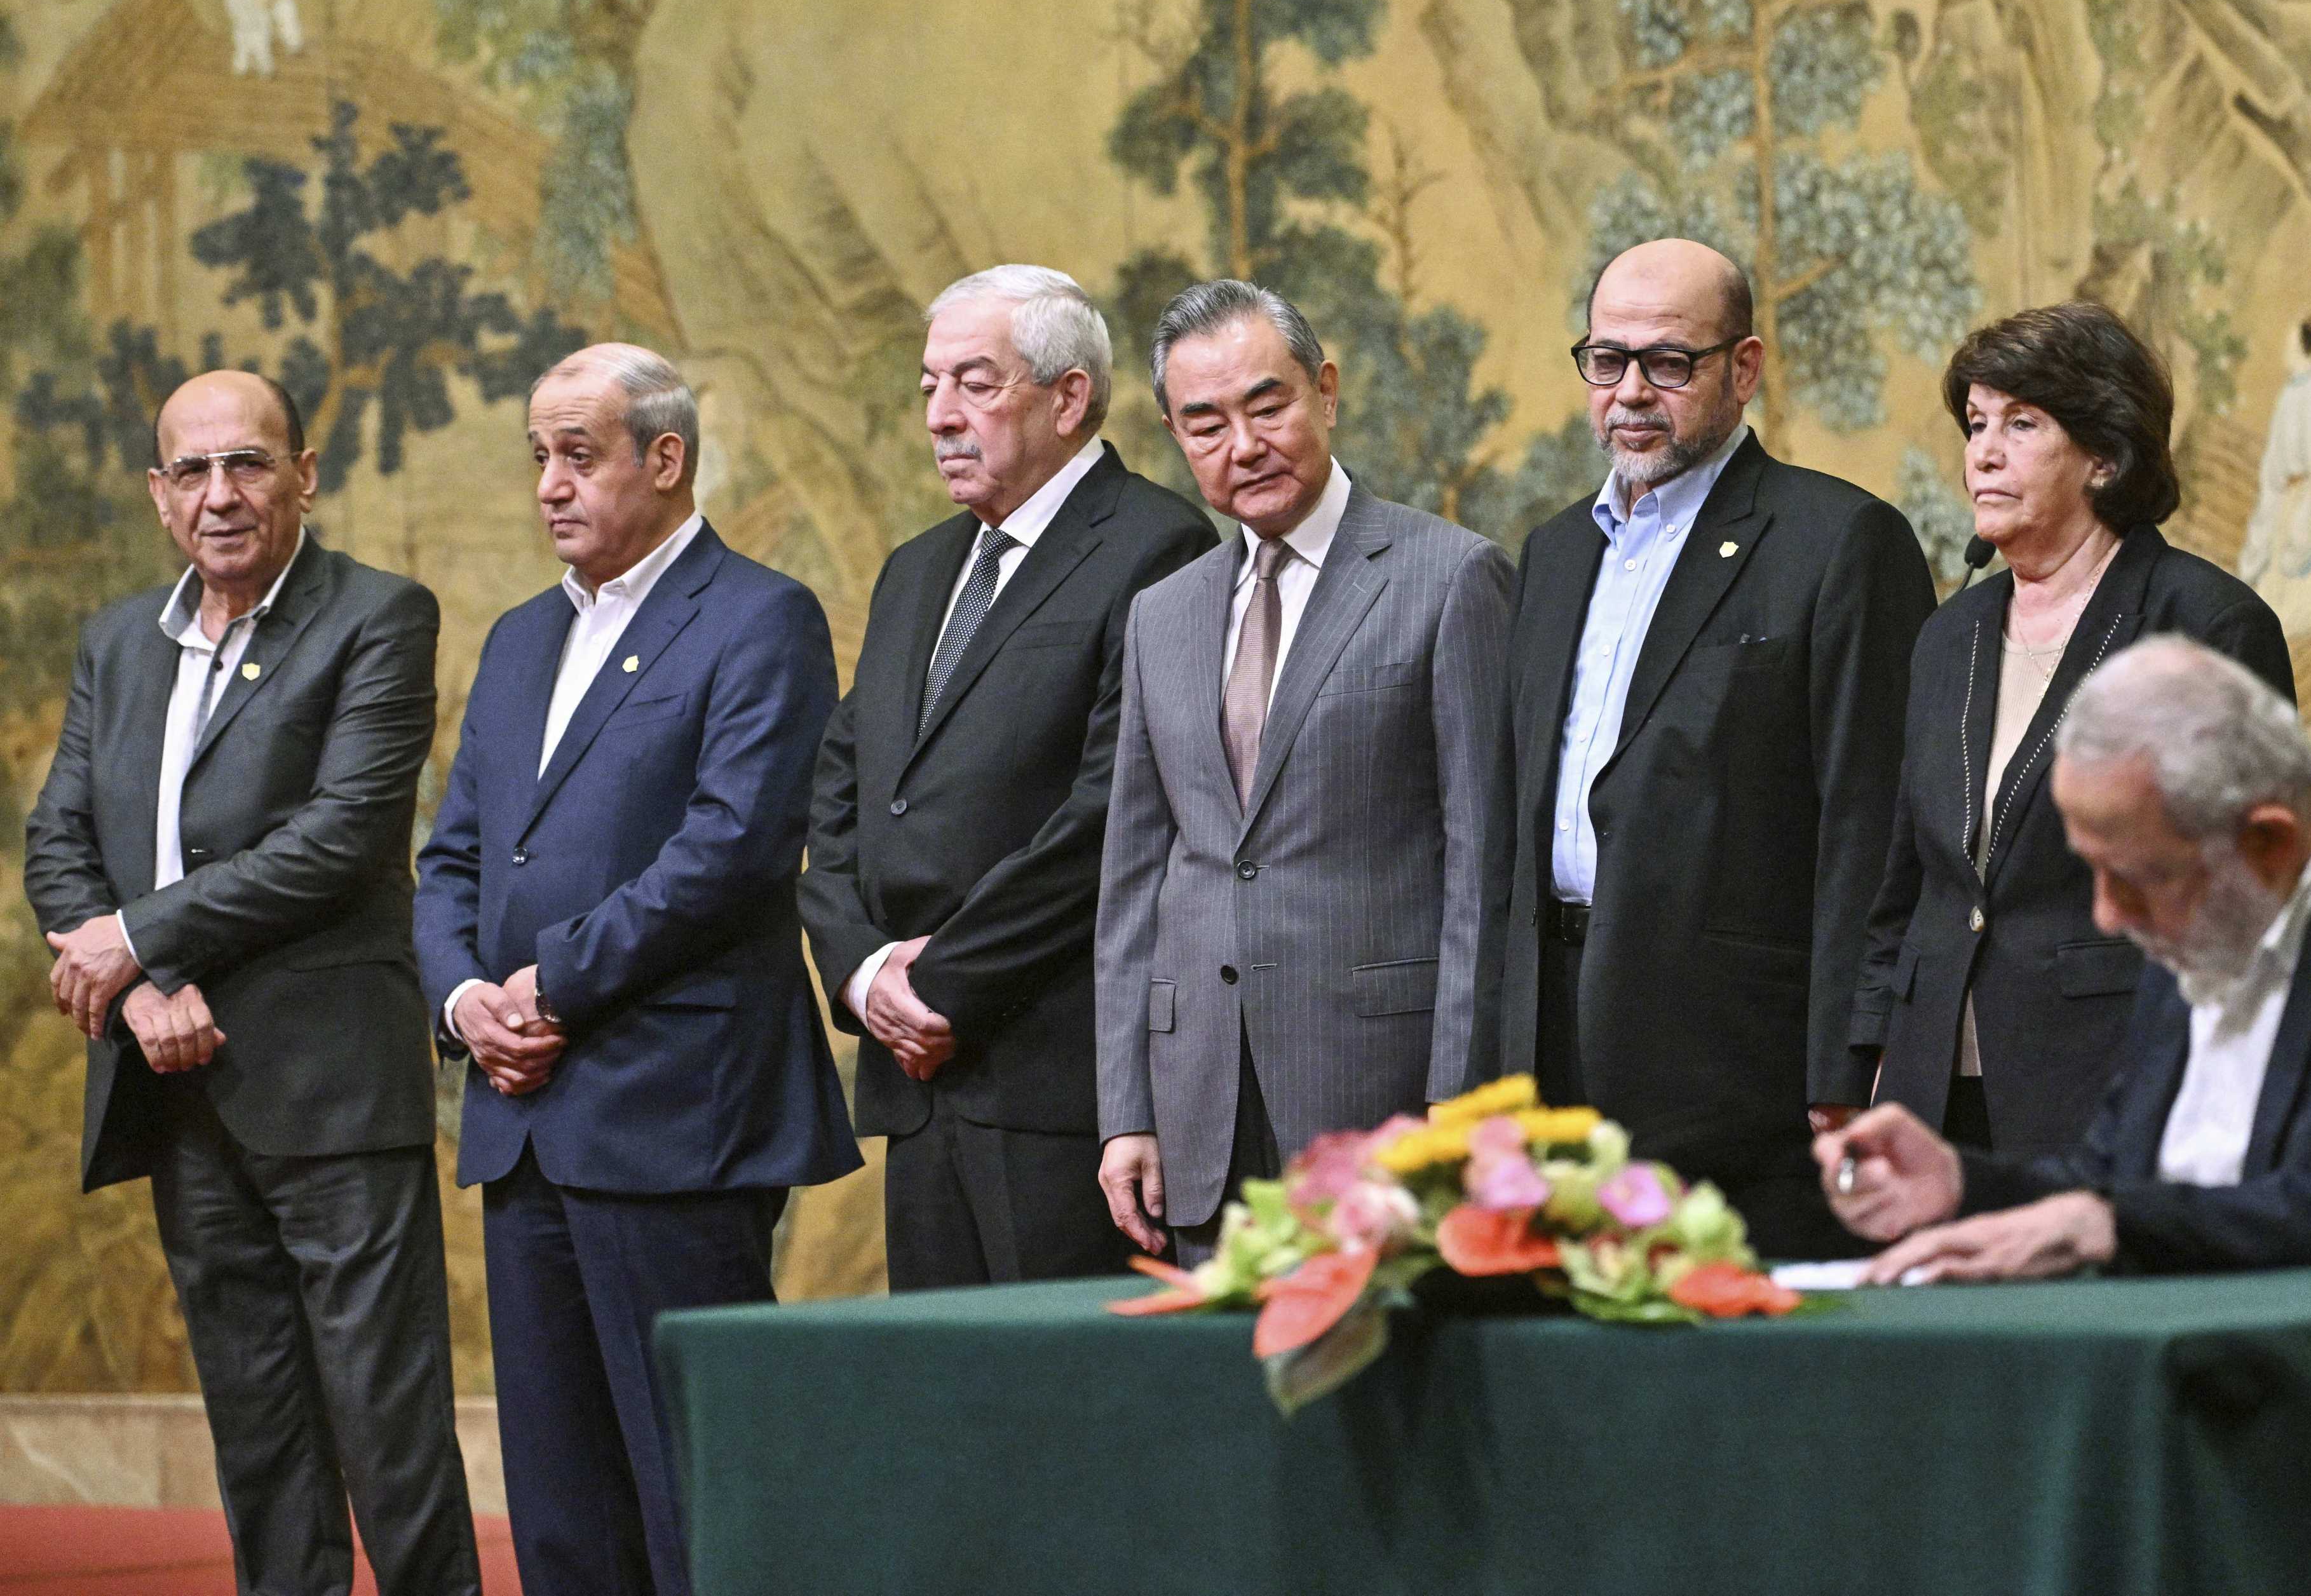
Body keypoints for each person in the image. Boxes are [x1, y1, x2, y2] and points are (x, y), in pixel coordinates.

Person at [24, 371, 479, 1595]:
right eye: (193, 471)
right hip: (174, 1083)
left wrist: (141, 941)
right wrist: (130, 987)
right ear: (159, 494)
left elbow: (340, 840)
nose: (221, 496)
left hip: (331, 1092)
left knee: (390, 1433)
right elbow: (57, 843)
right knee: (260, 1434)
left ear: (304, 475)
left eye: (249, 464)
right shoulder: (121, 640)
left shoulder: (380, 616)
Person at [415, 344, 858, 1596]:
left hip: (674, 1112)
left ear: (665, 459)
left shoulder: (760, 616)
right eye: (538, 459)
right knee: (561, 1505)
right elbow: (450, 856)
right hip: (523, 1115)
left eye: (578, 454)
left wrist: (544, 989)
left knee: (692, 1494)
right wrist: (462, 998)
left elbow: (732, 851)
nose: (549, 486)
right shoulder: (516, 640)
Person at [1819, 636, 2311, 1280]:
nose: (2109, 916)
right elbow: (2116, 1180)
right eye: (2094, 873)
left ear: (2268, 839)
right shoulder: (2203, 918)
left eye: (2137, 879)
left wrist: (2116, 1225)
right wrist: (1962, 1185)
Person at [1477, 237, 1935, 1258]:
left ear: (1744, 367)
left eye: (1668, 362)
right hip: (1549, 1047)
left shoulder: (1838, 542)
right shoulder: (1552, 552)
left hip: (1736, 1068)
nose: (1631, 391)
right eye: (1606, 360)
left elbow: (1868, 831)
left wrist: (1842, 1070)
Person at [801, 266, 1215, 1289]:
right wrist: (862, 974)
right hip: (915, 1078)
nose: (940, 415)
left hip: (1055, 1082)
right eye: (929, 386)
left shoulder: (1157, 546)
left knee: (1060, 1424)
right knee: (948, 1420)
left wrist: (938, 986)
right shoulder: (915, 569)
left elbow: (1111, 813)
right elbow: (844, 788)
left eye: (973, 384)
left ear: (1067, 396)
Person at [1095, 280, 1513, 1262]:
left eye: (1266, 404)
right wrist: (1125, 1107)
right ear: (1173, 434)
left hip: (1378, 1096)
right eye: (1204, 424)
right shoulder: (1163, 613)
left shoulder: (1451, 577)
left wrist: (1457, 1109)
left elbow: (1480, 871)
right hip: (1195, 1098)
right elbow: (1131, 880)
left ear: (1324, 391)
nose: (1242, 444)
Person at [1854, 303, 2293, 1159]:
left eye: (2021, 423)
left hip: (2110, 1077)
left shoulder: (2202, 625)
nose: (1981, 451)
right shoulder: (1950, 635)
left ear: (2102, 454)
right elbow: (1906, 886)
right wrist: (1867, 1062)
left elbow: (2244, 898)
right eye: (1975, 423)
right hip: (1928, 1082)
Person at [2237, 316, 2311, 641]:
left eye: (2289, 344)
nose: (2284, 351)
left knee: (2300, 576)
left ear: (2301, 348)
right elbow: (2277, 451)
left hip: (2305, 494)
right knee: (2272, 577)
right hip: (2286, 494)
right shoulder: (2289, 392)